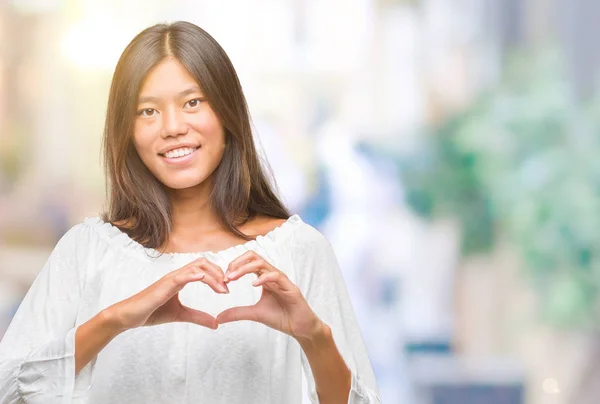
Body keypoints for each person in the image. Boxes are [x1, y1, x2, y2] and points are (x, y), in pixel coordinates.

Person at [0, 21, 380, 404]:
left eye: (192, 102)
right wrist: (113, 320)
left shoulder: (298, 250)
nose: (172, 127)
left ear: (227, 110)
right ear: (126, 131)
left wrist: (314, 336)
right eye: (147, 111)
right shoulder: (88, 252)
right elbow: (9, 392)